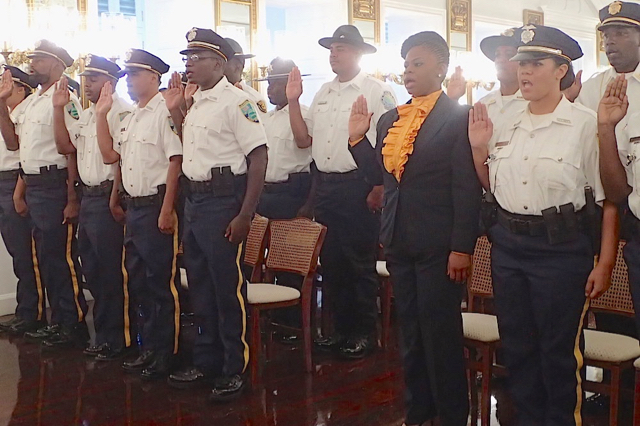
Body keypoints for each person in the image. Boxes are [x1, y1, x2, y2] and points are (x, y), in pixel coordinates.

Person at [468, 25, 617, 425]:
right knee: (517, 347)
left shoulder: (584, 125)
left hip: (560, 251)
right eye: (521, 63)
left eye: (536, 63)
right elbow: (494, 188)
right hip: (509, 247)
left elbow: (607, 201)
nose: (524, 72)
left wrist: (603, 263)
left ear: (561, 70)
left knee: (557, 350)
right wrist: (479, 150)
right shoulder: (507, 120)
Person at [348, 31, 480, 426]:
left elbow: (466, 186)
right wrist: (357, 139)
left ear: (441, 68)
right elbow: (381, 177)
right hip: (399, 240)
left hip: (440, 244)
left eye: (418, 64)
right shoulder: (391, 118)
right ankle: (418, 410)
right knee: (410, 331)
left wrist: (462, 246)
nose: (408, 71)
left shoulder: (459, 117)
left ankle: (453, 414)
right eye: (405, 64)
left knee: (440, 333)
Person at [164, 27, 267, 401]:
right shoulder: (196, 103)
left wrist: (246, 215)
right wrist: (178, 111)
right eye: (186, 58)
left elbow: (258, 158)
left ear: (219, 62)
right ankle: (206, 360)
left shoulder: (236, 102)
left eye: (196, 58)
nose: (188, 64)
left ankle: (233, 367)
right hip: (195, 202)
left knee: (227, 288)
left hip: (224, 202)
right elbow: (190, 150)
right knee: (202, 288)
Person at [287, 24, 397, 359]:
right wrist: (294, 101)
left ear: (359, 53)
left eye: (342, 48)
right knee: (332, 261)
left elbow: (388, 143)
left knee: (358, 262)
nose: (334, 54)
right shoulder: (323, 93)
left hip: (359, 185)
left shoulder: (377, 92)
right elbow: (306, 141)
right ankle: (339, 330)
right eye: (332, 48)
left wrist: (379, 185)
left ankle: (364, 333)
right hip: (327, 186)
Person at [94, 48, 182, 380]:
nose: (128, 81)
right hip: (133, 207)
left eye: (134, 74)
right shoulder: (131, 117)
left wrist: (167, 209)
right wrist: (102, 115)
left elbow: (175, 162)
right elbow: (111, 157)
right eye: (127, 75)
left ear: (154, 77)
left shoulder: (163, 113)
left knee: (161, 284)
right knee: (139, 283)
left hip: (155, 206)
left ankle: (166, 353)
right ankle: (148, 349)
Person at [0, 40, 88, 348]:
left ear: (56, 64)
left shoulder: (66, 99)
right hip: (35, 184)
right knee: (47, 258)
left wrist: (72, 196)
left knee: (61, 257)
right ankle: (57, 320)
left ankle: (73, 322)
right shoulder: (37, 101)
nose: (31, 63)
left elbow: (75, 149)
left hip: (56, 185)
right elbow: (15, 145)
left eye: (38, 59)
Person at [52, 54, 133, 360]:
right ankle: (104, 334)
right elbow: (65, 147)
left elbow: (121, 160)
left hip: (108, 197)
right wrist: (58, 110)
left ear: (110, 83)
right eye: (86, 79)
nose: (87, 85)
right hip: (88, 198)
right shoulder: (87, 115)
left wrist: (115, 198)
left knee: (113, 272)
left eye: (94, 80)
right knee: (93, 270)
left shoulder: (122, 112)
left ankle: (120, 337)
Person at [0, 66, 45, 335]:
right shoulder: (8, 114)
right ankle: (24, 309)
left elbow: (23, 159)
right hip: (3, 182)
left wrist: (18, 193)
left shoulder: (25, 114)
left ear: (20, 89)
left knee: (26, 254)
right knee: (16, 252)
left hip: (17, 181)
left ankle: (32, 312)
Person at [478, 28, 528, 134]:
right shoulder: (483, 104)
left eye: (509, 55)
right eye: (497, 55)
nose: (501, 60)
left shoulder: (534, 103)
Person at [224, 37, 268, 115]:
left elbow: (257, 126)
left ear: (238, 66)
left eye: (224, 63)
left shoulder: (253, 98)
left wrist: (240, 100)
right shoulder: (210, 94)